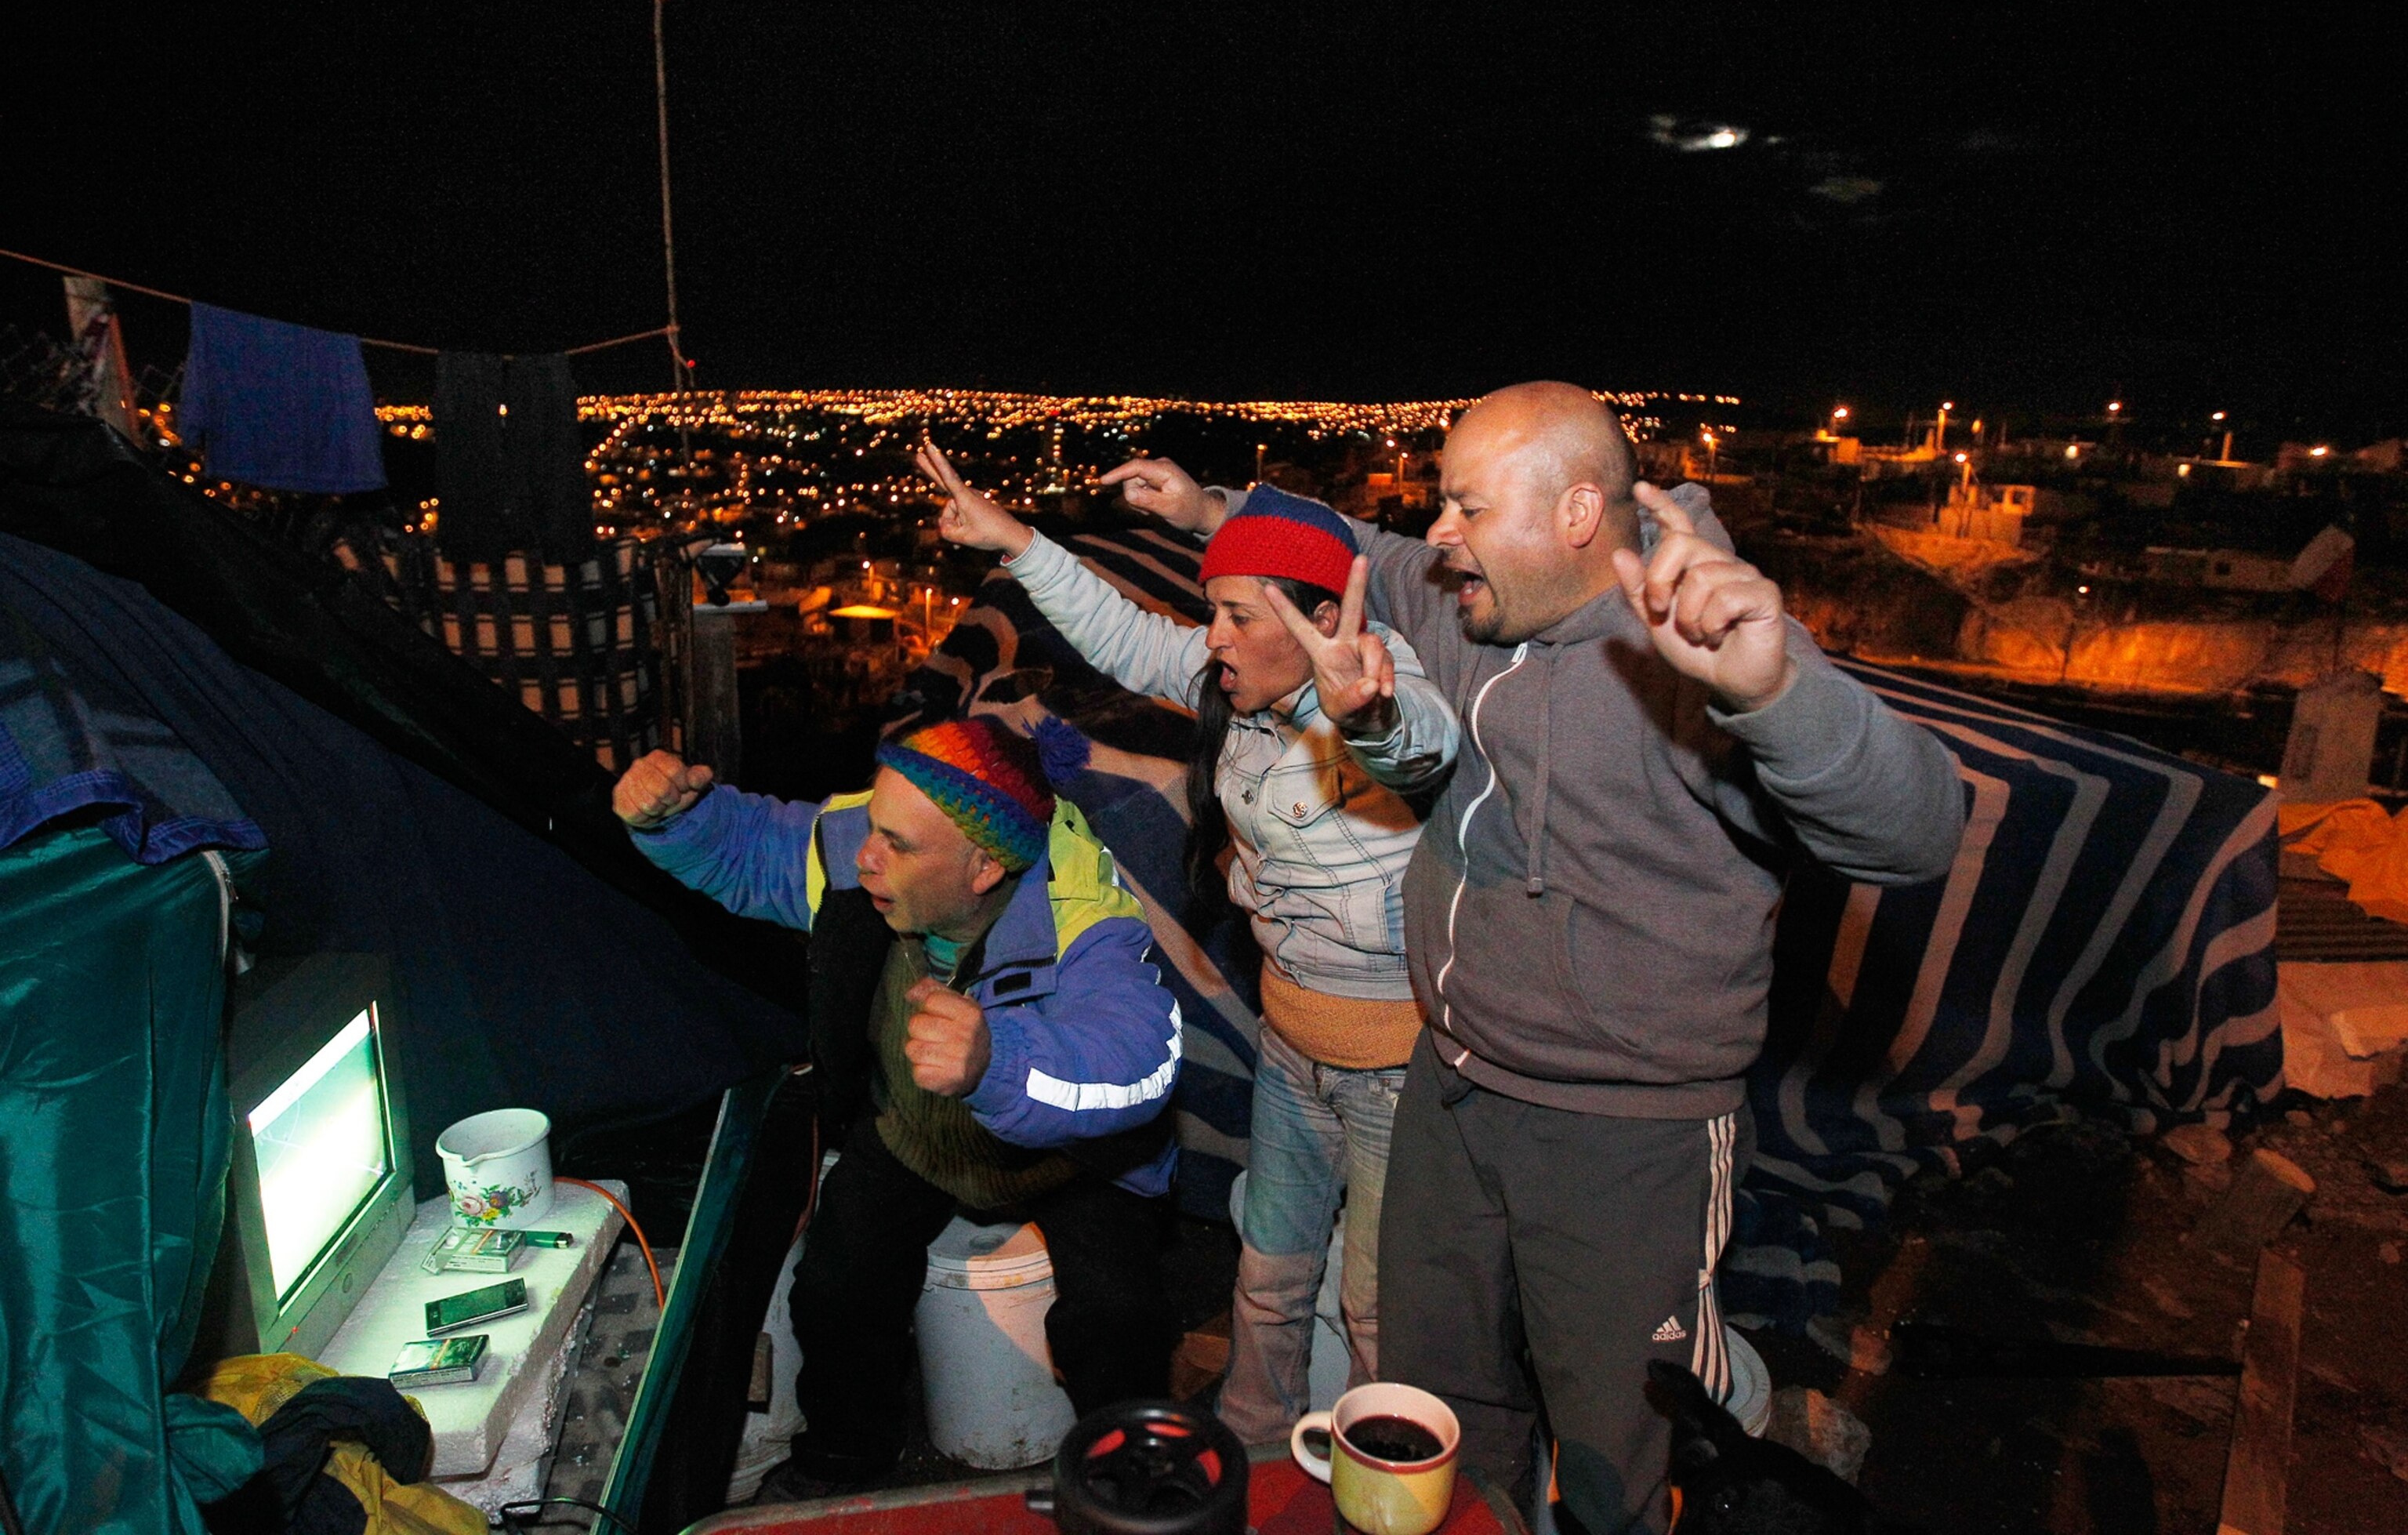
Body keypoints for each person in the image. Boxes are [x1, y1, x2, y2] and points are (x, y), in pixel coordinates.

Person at [1100, 383, 1965, 1534]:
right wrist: (1217, 512)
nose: (1438, 530)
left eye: (1466, 504)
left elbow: (1915, 833)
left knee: (1615, 1440)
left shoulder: (1697, 652)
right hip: (1452, 1092)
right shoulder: (1472, 610)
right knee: (1440, 1405)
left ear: (1576, 512)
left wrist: (1778, 694)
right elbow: (1365, 554)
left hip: (1625, 1133)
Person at [913, 441, 1458, 1445]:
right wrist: (1018, 543)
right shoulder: (1233, 690)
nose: (1213, 638)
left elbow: (1424, 740)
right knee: (1268, 1272)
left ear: (1325, 619)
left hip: (1392, 1071)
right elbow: (1124, 636)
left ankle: (1382, 1481)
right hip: (1292, 1052)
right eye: (1214, 612)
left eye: (1238, 616)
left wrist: (1369, 712)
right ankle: (1253, 1458)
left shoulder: (1382, 689)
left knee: (1382, 1309)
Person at [611, 716, 1184, 1490]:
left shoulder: (1084, 922)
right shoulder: (858, 855)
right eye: (873, 828)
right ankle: (844, 1460)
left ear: (983, 867)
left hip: (1066, 1154)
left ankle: (1133, 1481)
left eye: (900, 844)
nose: (867, 855)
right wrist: (674, 816)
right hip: (916, 1128)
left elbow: (1140, 1063)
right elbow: (755, 850)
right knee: (837, 1285)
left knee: (1117, 1315)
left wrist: (999, 1060)